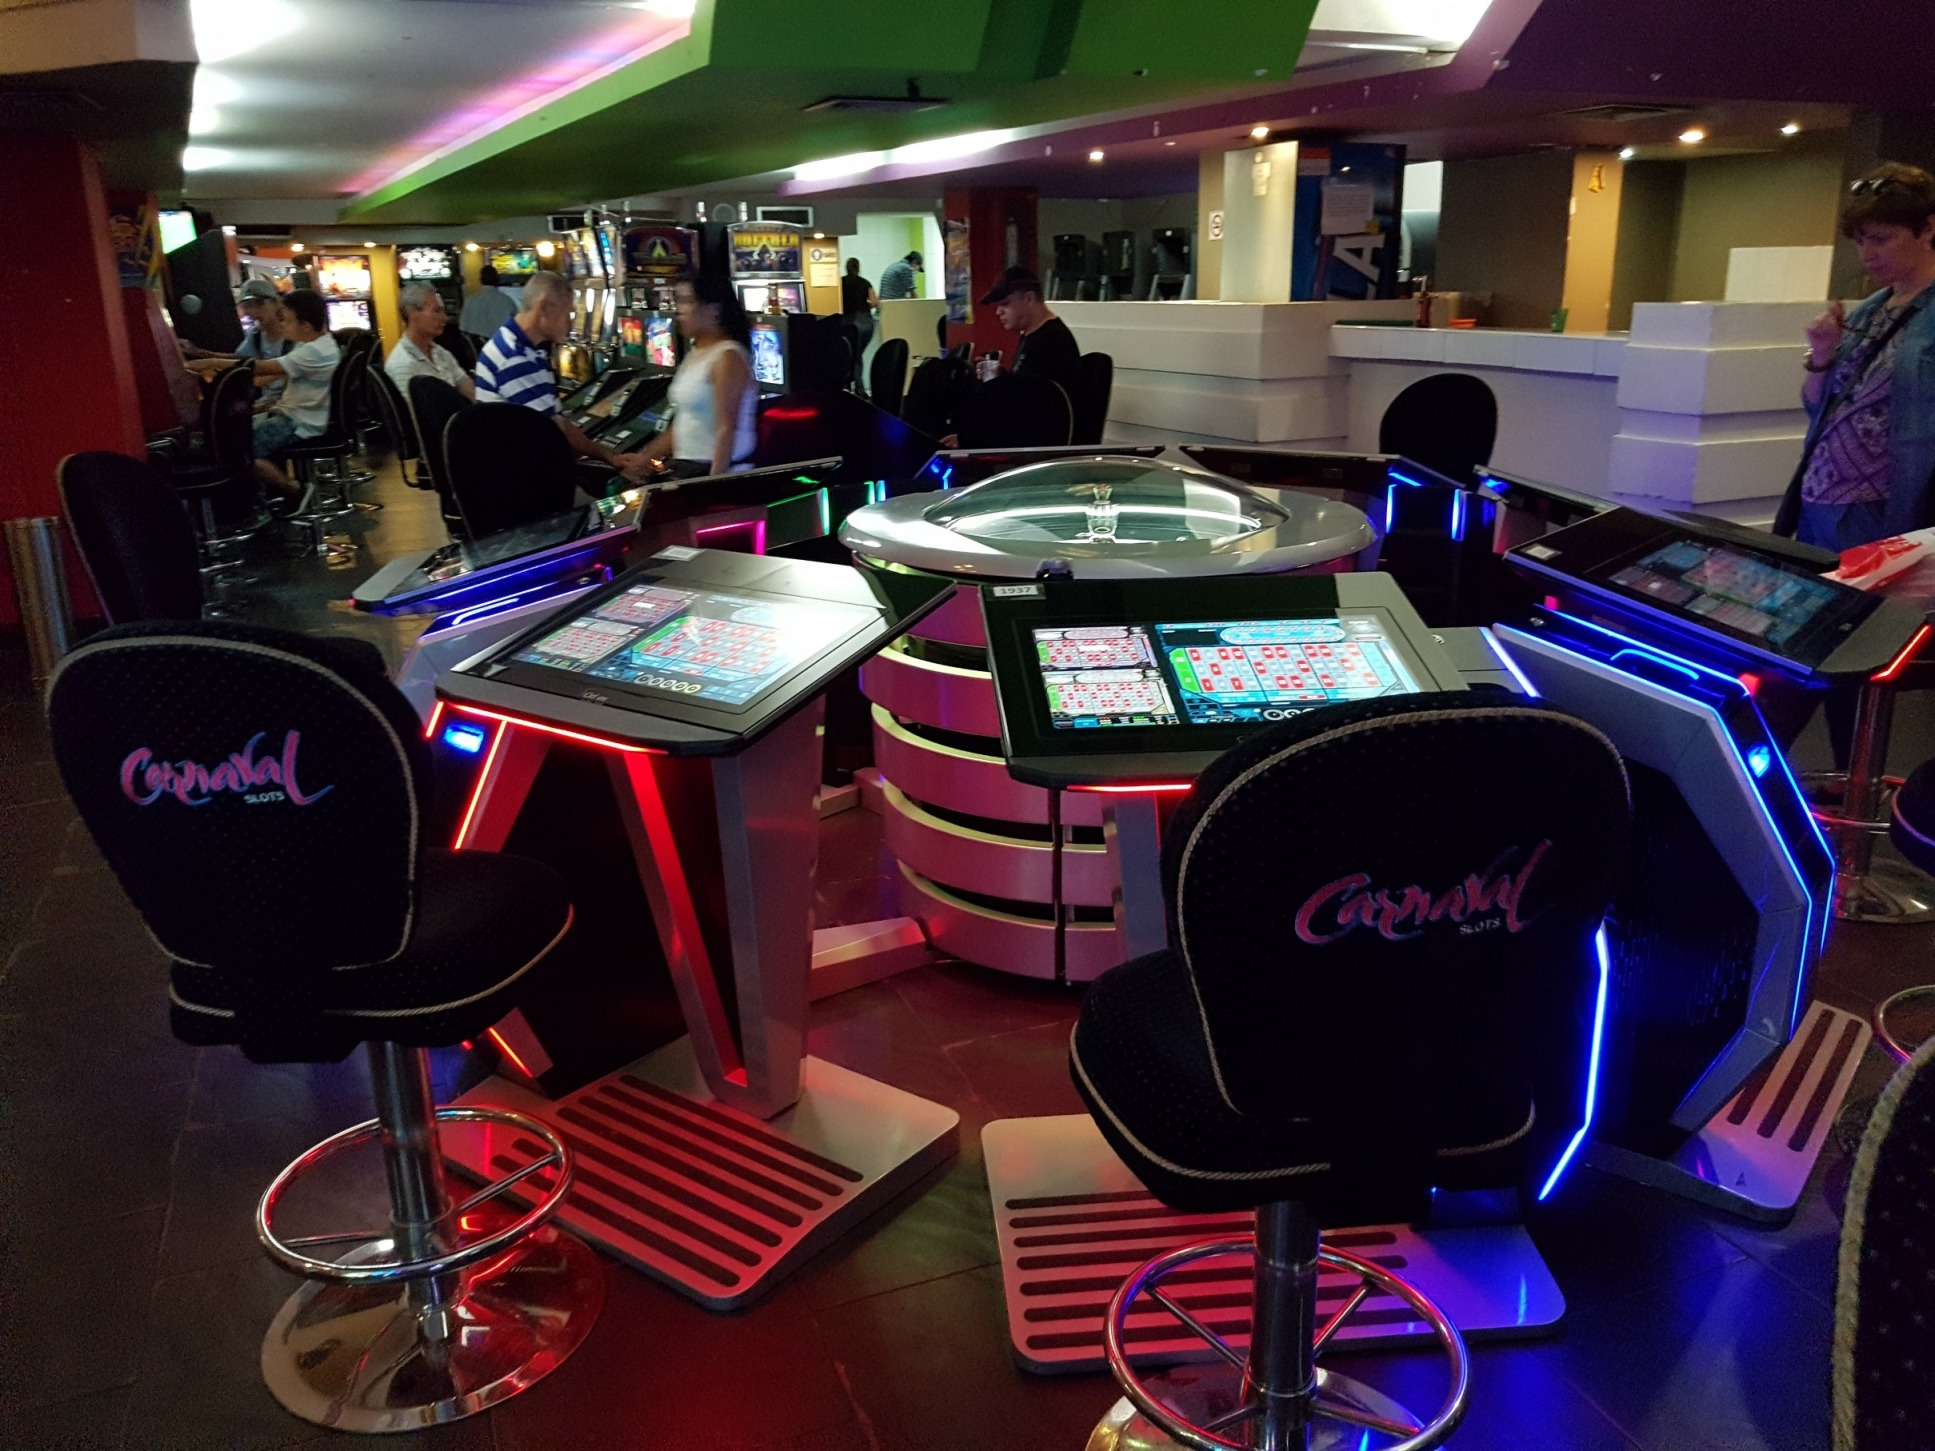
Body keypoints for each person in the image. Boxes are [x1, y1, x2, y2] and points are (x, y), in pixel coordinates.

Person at [1777, 163, 1935, 551]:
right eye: (1861, 241)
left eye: (1881, 239)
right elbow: (1817, 407)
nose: (1867, 254)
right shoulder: (1869, 311)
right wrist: (1822, 354)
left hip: (1885, 506)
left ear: (1928, 229)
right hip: (1821, 494)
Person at [474, 270, 649, 478]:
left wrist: (610, 457)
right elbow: (553, 434)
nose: (572, 323)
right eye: (568, 314)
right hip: (520, 480)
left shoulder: (526, 348)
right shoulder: (514, 357)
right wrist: (610, 462)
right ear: (544, 308)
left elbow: (556, 422)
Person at [639, 272, 758, 477]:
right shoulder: (695, 353)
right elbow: (685, 423)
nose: (679, 309)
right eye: (678, 300)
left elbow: (726, 429)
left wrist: (713, 483)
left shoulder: (728, 356)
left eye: (687, 301)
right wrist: (644, 458)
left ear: (714, 310)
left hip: (716, 471)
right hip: (687, 467)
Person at [246, 288, 339, 500]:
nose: (282, 325)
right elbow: (272, 372)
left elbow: (259, 367)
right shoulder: (317, 343)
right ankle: (276, 498)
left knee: (238, 451)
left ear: (305, 326)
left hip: (298, 423)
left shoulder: (314, 352)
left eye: (287, 321)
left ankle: (296, 490)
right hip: (297, 416)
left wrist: (207, 363)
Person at [980, 265, 1083, 403]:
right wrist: (1003, 376)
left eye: (1005, 304)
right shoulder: (1032, 334)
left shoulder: (1052, 341)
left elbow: (1032, 401)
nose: (998, 312)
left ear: (1029, 298)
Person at [386, 281, 473, 400]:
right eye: (437, 310)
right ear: (412, 313)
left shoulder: (440, 352)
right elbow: (412, 411)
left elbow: (468, 388)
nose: (444, 318)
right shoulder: (402, 364)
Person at [841, 258, 877, 393]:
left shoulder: (840, 282)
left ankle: (850, 386)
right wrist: (864, 305)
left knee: (851, 355)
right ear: (858, 268)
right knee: (857, 355)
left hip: (847, 321)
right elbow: (874, 302)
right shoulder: (865, 282)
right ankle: (859, 388)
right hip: (865, 321)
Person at [458, 263, 517, 339]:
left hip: (478, 345)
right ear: (498, 279)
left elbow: (463, 327)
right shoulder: (507, 301)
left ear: (480, 280)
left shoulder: (470, 301)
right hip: (501, 344)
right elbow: (516, 326)